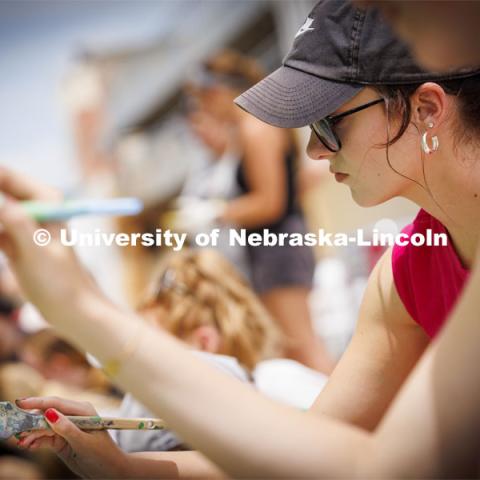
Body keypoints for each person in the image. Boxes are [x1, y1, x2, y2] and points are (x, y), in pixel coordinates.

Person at [3, 0, 480, 477]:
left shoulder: (404, 271)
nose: (313, 150)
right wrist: (126, 466)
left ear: (426, 109)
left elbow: (369, 467)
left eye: (328, 123)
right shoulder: (401, 275)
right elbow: (311, 455)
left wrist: (82, 307)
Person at [182, 50, 335, 373]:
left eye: (204, 99)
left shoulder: (256, 129)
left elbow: (270, 202)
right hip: (270, 246)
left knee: (302, 347)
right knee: (287, 349)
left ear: (220, 92)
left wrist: (215, 213)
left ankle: (352, 421)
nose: (205, 109)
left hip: (278, 246)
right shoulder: (249, 129)